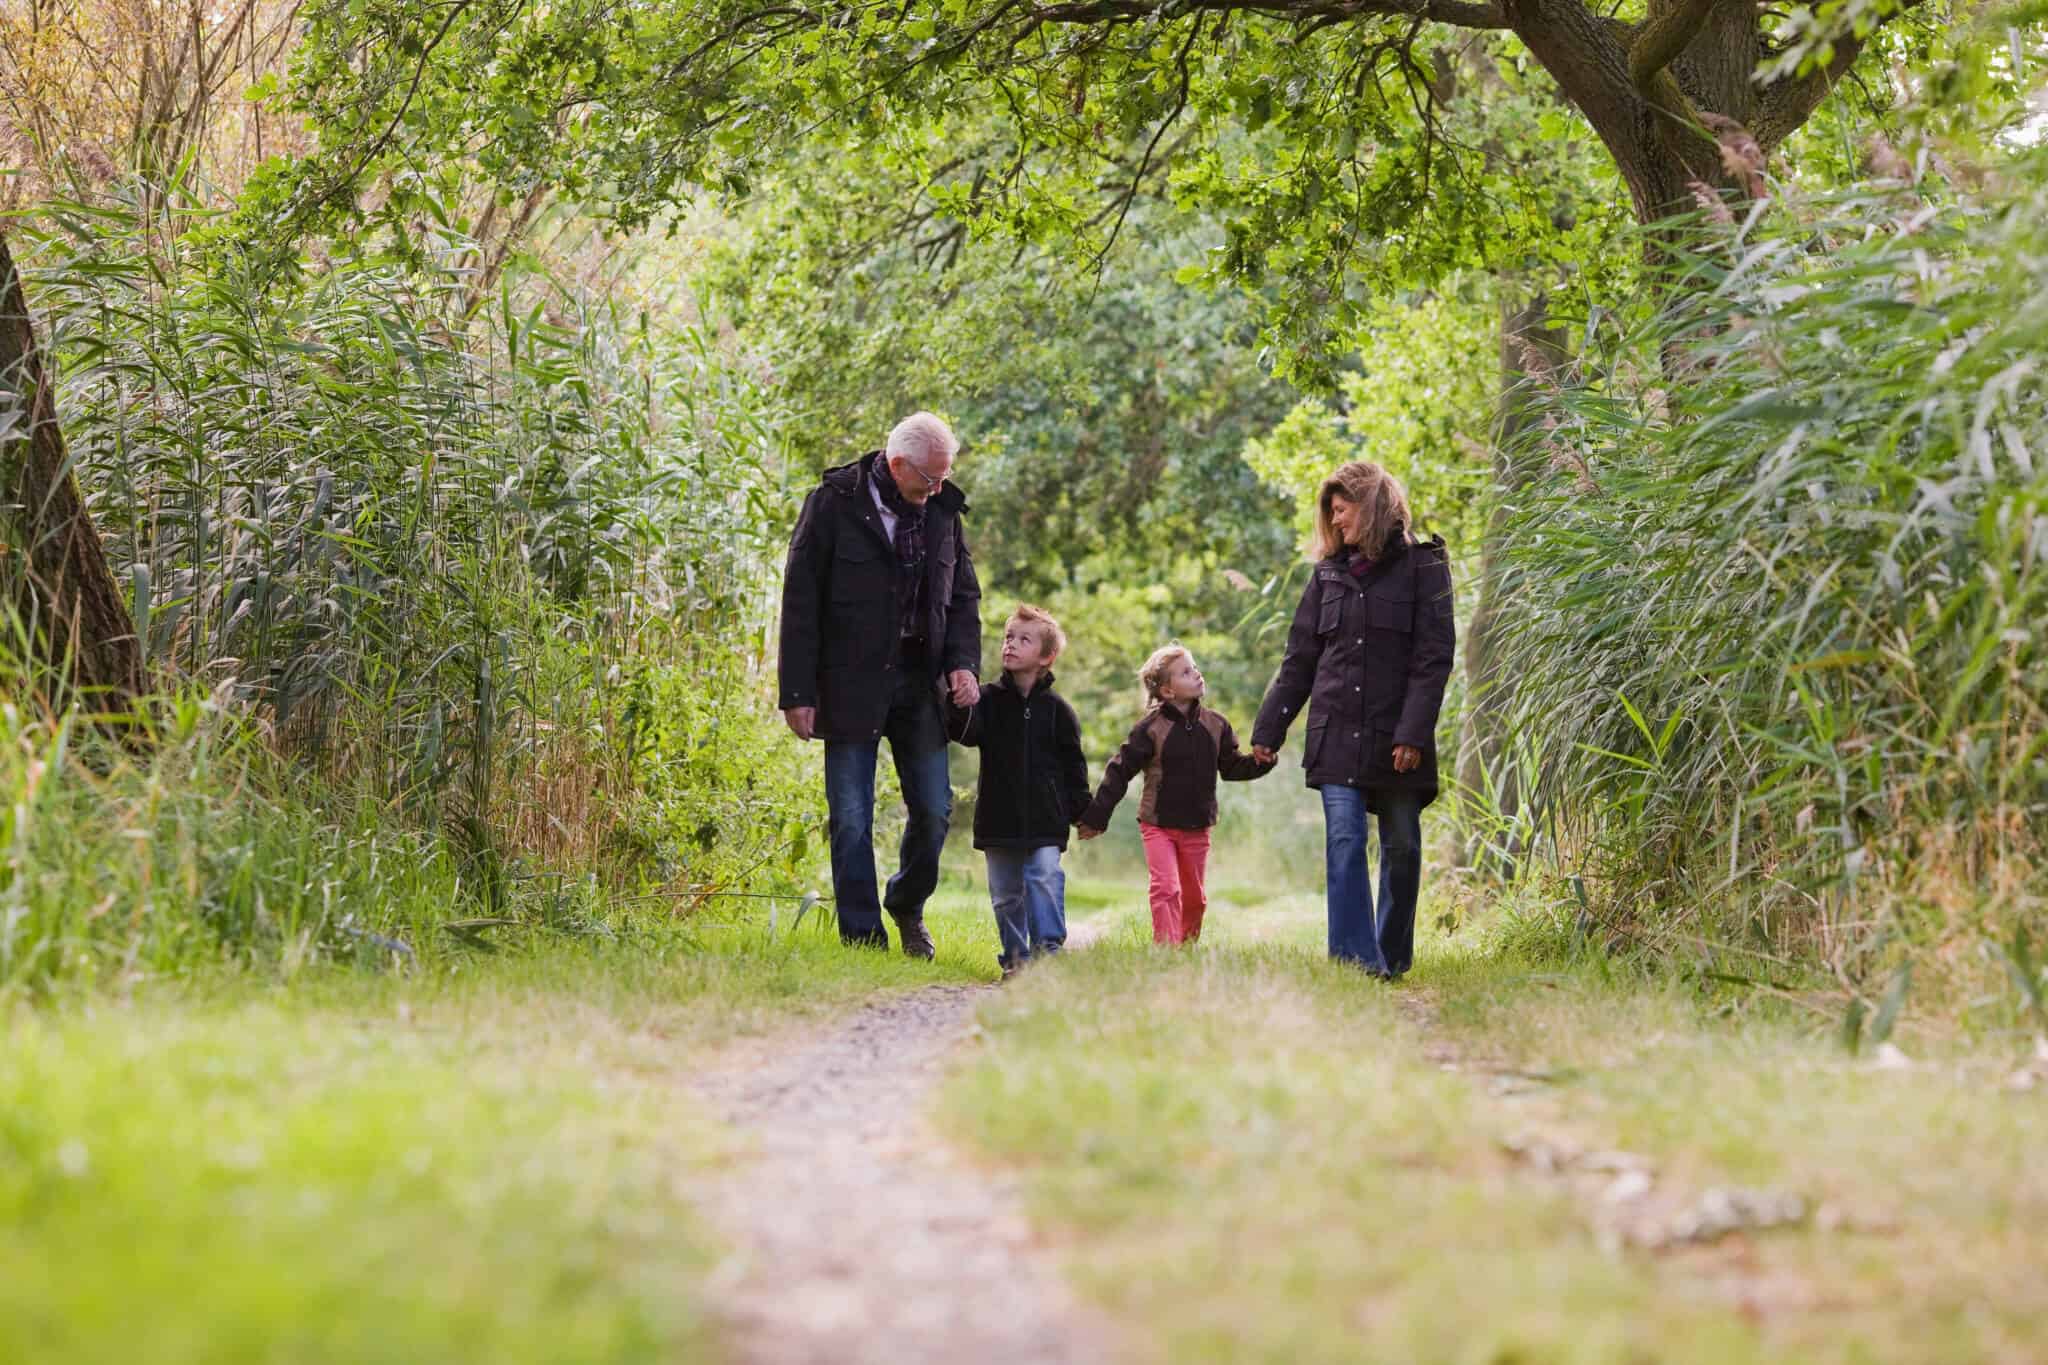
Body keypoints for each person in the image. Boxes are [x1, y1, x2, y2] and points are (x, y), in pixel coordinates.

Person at [777, 412, 981, 955]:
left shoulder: (942, 510)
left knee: (935, 810)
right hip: (849, 684)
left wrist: (964, 664)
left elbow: (963, 597)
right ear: (896, 465)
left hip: (919, 686)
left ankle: (906, 904)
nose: (938, 488)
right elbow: (799, 601)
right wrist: (796, 692)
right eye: (930, 478)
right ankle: (863, 938)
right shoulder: (832, 504)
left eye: (943, 477)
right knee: (850, 818)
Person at [1250, 460, 1454, 978]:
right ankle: (1355, 961)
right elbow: (1299, 661)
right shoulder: (1326, 577)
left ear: (1373, 505)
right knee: (1344, 839)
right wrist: (1267, 732)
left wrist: (1412, 733)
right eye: (1332, 514)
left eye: (1343, 511)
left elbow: (1433, 658)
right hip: (1336, 731)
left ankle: (1389, 955)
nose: (1336, 523)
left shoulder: (1426, 566)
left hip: (1398, 735)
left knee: (1402, 848)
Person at [1077, 644, 1272, 945]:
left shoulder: (1216, 725)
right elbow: (1120, 771)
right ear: (1168, 691)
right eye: (1186, 672)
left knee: (1194, 898)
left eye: (1194, 668)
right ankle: (1165, 948)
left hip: (1197, 825)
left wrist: (1260, 764)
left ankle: (1185, 949)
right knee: (1167, 888)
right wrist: (1097, 816)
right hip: (1157, 824)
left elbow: (1232, 767)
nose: (1197, 674)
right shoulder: (1150, 729)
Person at [946, 605, 1091, 977]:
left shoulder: (1059, 711)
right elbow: (966, 733)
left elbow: (1075, 767)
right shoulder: (988, 699)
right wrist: (959, 704)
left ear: (1047, 656)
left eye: (1024, 639)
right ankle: (1015, 960)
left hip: (1047, 818)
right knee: (1006, 894)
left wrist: (1082, 812)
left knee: (1043, 875)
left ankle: (1049, 952)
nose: (1010, 645)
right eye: (1008, 637)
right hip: (998, 816)